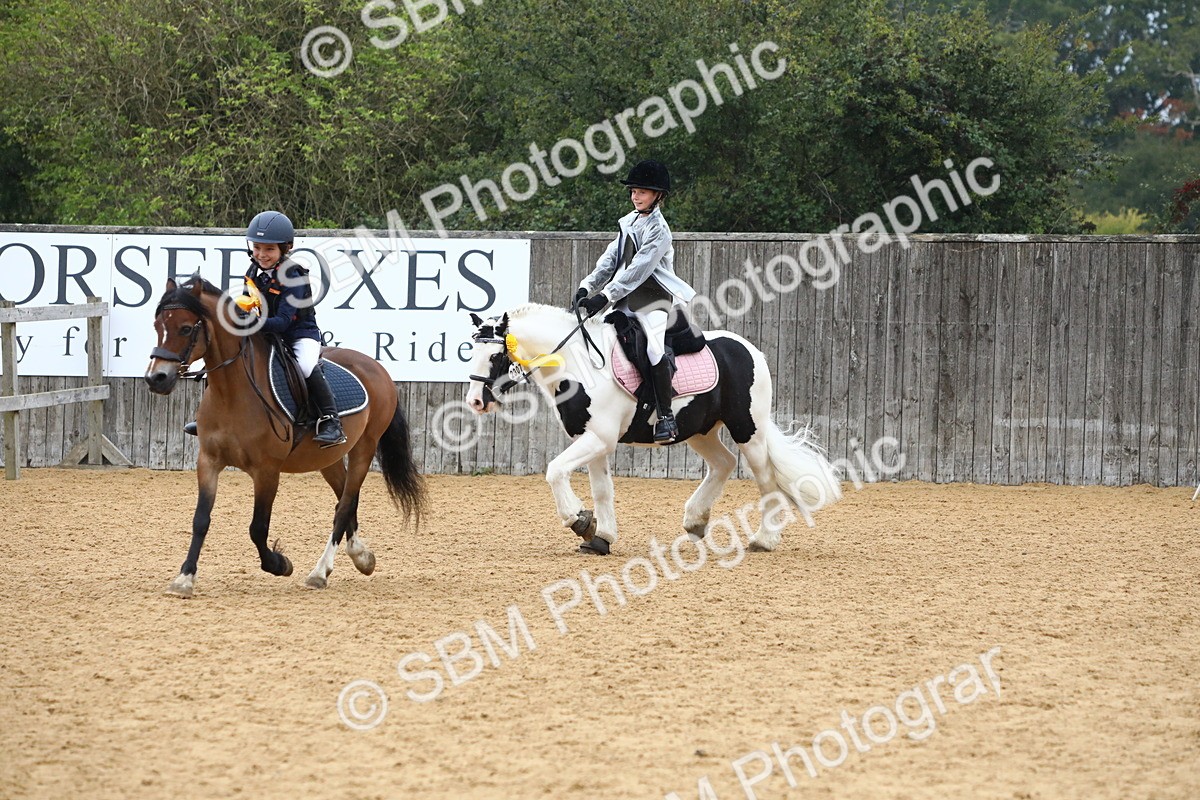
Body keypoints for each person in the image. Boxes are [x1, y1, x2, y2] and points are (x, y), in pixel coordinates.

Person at [184, 210, 346, 447]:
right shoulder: (253, 272)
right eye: (258, 247)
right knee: (227, 355)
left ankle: (331, 420)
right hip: (265, 333)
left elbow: (282, 321)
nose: (261, 254)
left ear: (285, 248)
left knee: (305, 365)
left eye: (269, 249)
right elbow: (252, 306)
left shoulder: (295, 276)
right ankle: (212, 415)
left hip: (298, 334)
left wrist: (249, 322)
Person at [574, 159, 696, 444]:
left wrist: (605, 296)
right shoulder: (628, 222)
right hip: (625, 299)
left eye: (641, 191)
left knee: (654, 349)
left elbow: (637, 270)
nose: (635, 196)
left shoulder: (659, 231)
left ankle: (666, 416)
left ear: (658, 196)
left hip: (654, 300)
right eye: (633, 191)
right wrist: (587, 285)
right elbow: (610, 259)